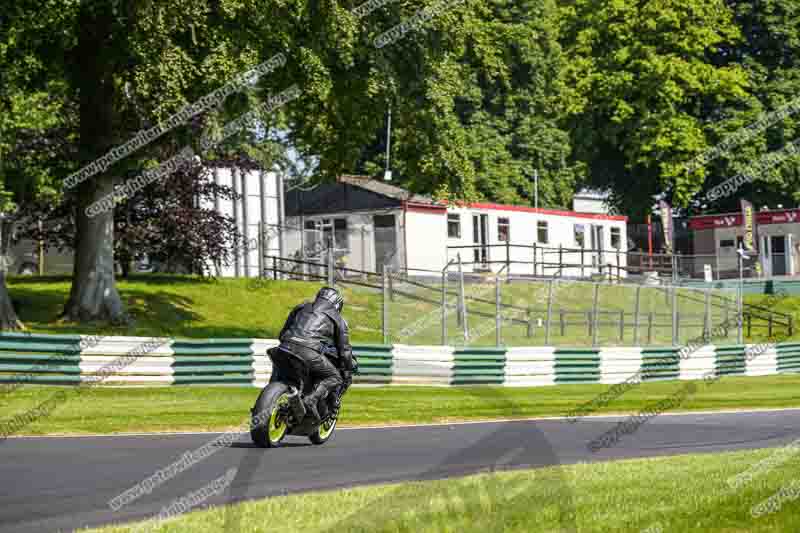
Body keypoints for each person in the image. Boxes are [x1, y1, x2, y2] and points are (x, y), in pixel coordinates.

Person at [276, 287, 357, 421]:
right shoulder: (338, 318)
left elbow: (282, 333)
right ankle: (311, 400)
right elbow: (344, 350)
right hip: (308, 352)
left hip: (283, 347)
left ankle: (270, 400)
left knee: (279, 366)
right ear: (337, 303)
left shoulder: (301, 307)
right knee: (335, 377)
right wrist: (348, 368)